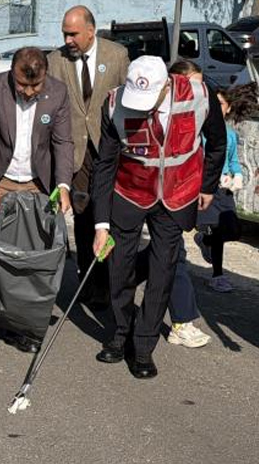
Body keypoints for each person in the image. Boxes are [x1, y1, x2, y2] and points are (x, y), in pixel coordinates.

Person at [92, 56, 226, 379]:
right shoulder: (114, 104)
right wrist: (100, 224)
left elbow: (218, 143)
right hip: (130, 193)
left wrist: (207, 185)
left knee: (162, 271)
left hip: (177, 195)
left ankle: (143, 347)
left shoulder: (199, 96)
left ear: (167, 85)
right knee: (119, 267)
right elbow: (105, 165)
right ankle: (121, 332)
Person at [0, 46, 73, 352]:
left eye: (35, 86)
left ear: (45, 75)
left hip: (37, 183)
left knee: (31, 257)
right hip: (0, 180)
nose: (29, 92)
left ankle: (26, 325)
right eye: (22, 85)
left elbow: (63, 142)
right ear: (12, 73)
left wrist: (63, 185)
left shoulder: (58, 93)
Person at [46, 5, 130, 313]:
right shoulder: (55, 62)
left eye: (73, 33)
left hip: (109, 149)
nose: (67, 39)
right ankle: (88, 280)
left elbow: (128, 101)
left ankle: (110, 280)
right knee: (83, 217)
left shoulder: (117, 56)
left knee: (107, 214)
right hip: (74, 152)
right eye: (64, 33)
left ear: (91, 30)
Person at [162, 60, 213, 349]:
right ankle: (181, 322)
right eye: (193, 84)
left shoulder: (199, 111)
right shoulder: (165, 114)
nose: (199, 91)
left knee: (166, 255)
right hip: (163, 197)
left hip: (184, 196)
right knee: (173, 257)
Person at [193, 80, 258, 293]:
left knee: (232, 230)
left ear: (228, 107)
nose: (216, 108)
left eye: (220, 104)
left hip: (224, 187)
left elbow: (233, 160)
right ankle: (218, 275)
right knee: (211, 225)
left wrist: (237, 175)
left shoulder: (230, 134)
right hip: (205, 186)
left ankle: (206, 241)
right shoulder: (199, 131)